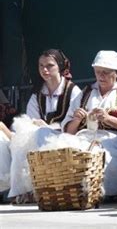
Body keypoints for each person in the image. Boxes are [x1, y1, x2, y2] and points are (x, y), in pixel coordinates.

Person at [62, 50, 117, 198]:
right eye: (98, 71)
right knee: (69, 151)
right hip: (84, 137)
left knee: (103, 154)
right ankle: (76, 192)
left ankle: (112, 192)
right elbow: (67, 132)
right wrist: (77, 120)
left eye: (106, 72)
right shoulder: (86, 92)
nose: (101, 76)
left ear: (116, 73)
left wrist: (107, 118)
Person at [8, 49, 81, 203]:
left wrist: (49, 126)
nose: (44, 69)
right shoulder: (37, 94)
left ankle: (47, 187)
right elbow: (30, 119)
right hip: (39, 135)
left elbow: (74, 122)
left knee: (41, 134)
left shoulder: (73, 91)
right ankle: (23, 190)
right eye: (41, 66)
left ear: (60, 67)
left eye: (49, 65)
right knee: (19, 140)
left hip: (66, 138)